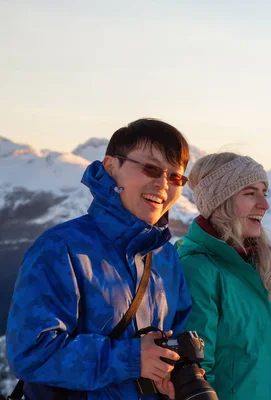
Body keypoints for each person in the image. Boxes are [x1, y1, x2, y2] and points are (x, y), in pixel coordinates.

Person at [6, 118, 193, 400]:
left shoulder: (165, 257)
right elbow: (31, 353)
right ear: (110, 167)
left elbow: (174, 335)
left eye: (176, 177)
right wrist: (131, 358)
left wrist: (172, 373)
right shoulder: (61, 248)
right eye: (151, 168)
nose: (163, 184)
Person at [177, 152, 271, 400]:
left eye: (264, 192)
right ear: (221, 201)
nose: (265, 204)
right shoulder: (198, 269)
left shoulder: (258, 263)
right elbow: (197, 374)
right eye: (251, 193)